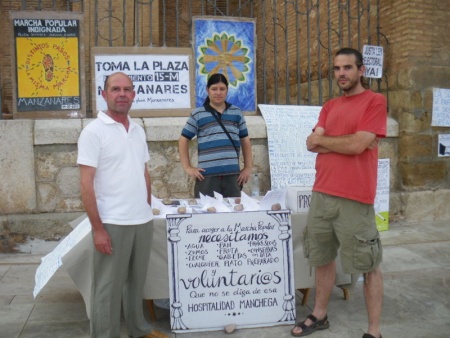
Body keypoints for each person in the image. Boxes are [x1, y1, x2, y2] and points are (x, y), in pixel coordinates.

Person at [291, 48, 386, 338]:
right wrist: (344, 141)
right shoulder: (329, 106)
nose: (341, 73)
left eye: (347, 67)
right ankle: (319, 315)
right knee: (321, 257)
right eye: (336, 68)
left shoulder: (375, 102)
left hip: (355, 198)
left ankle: (373, 330)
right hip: (322, 193)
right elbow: (311, 143)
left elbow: (358, 145)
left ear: (361, 71)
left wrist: (327, 141)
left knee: (368, 265)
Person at [77, 72, 167, 338]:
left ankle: (138, 329)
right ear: (104, 95)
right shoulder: (93, 132)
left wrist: (146, 208)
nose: (122, 94)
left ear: (134, 94)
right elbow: (86, 184)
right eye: (115, 89)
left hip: (141, 220)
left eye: (127, 89)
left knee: (136, 283)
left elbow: (144, 172)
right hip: (112, 222)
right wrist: (98, 229)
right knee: (107, 287)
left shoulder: (137, 130)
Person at [179, 73, 253, 198]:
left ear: (227, 90)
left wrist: (247, 167)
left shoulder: (236, 113)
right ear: (207, 90)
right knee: (207, 215)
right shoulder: (198, 114)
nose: (218, 92)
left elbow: (245, 140)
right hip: (207, 178)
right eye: (214, 89)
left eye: (222, 89)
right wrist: (187, 167)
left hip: (232, 177)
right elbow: (183, 139)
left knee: (232, 214)